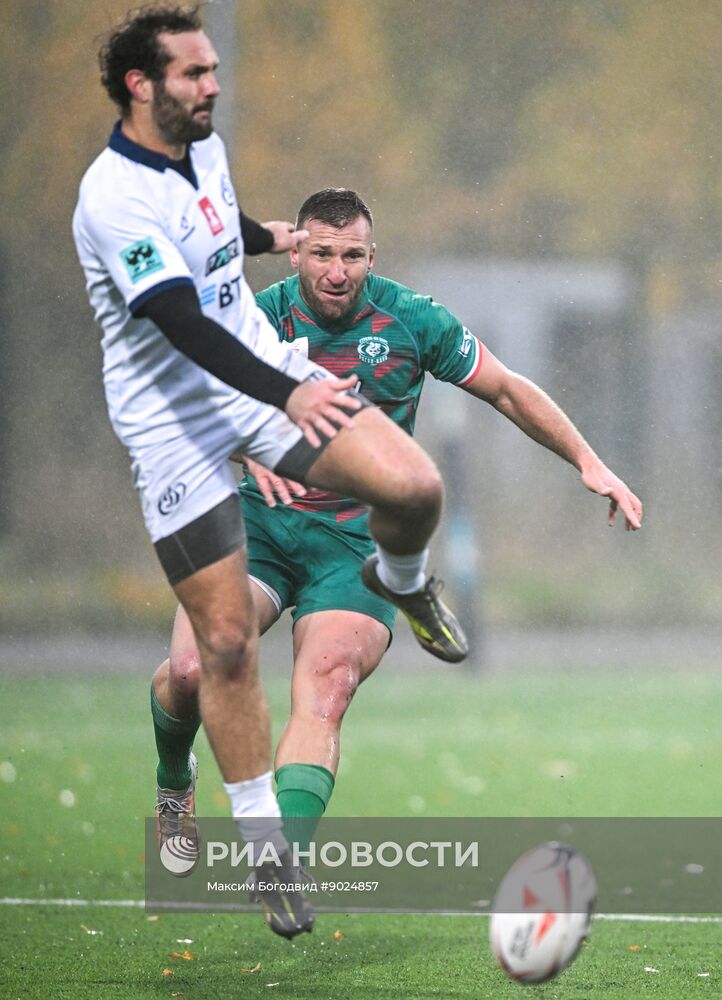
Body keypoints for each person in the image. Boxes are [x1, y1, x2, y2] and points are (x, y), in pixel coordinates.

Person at [72, 7, 468, 940]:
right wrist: (286, 396)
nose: (213, 85)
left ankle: (402, 578)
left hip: (259, 380)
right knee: (205, 661)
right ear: (141, 85)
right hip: (178, 425)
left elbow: (211, 234)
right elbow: (179, 317)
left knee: (413, 486)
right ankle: (205, 803)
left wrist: (268, 235)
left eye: (213, 68)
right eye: (194, 72)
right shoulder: (111, 199)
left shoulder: (200, 149)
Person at [150, 187, 643, 877]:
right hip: (256, 528)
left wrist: (588, 460)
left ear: (372, 256)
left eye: (352, 256)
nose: (336, 271)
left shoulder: (412, 319)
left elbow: (505, 387)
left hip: (355, 546)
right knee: (189, 671)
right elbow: (183, 412)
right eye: (322, 253)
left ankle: (280, 862)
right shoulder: (253, 319)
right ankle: (174, 781)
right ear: (295, 253)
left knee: (328, 684)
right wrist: (244, 446)